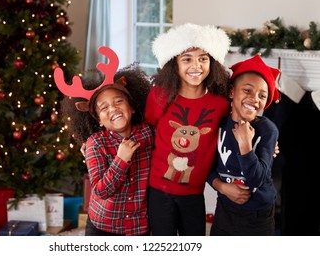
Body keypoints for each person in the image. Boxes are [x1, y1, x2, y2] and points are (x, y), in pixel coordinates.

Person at [144, 22, 234, 236]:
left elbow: (234, 128)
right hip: (158, 190)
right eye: (187, 59)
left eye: (203, 59)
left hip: (194, 192)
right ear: (174, 64)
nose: (196, 66)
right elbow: (146, 130)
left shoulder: (220, 104)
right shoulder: (159, 96)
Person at [57, 48, 155, 236]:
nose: (113, 109)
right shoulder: (95, 144)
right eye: (104, 107)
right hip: (103, 226)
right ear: (99, 120)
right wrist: (121, 160)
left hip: (137, 226)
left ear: (132, 107)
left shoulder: (148, 133)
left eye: (118, 101)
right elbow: (101, 190)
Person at [207, 54, 280, 236]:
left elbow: (257, 179)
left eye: (262, 95)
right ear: (232, 92)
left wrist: (245, 145)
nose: (254, 98)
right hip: (225, 208)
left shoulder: (267, 130)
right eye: (247, 90)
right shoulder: (218, 124)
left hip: (258, 215)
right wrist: (221, 187)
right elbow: (204, 165)